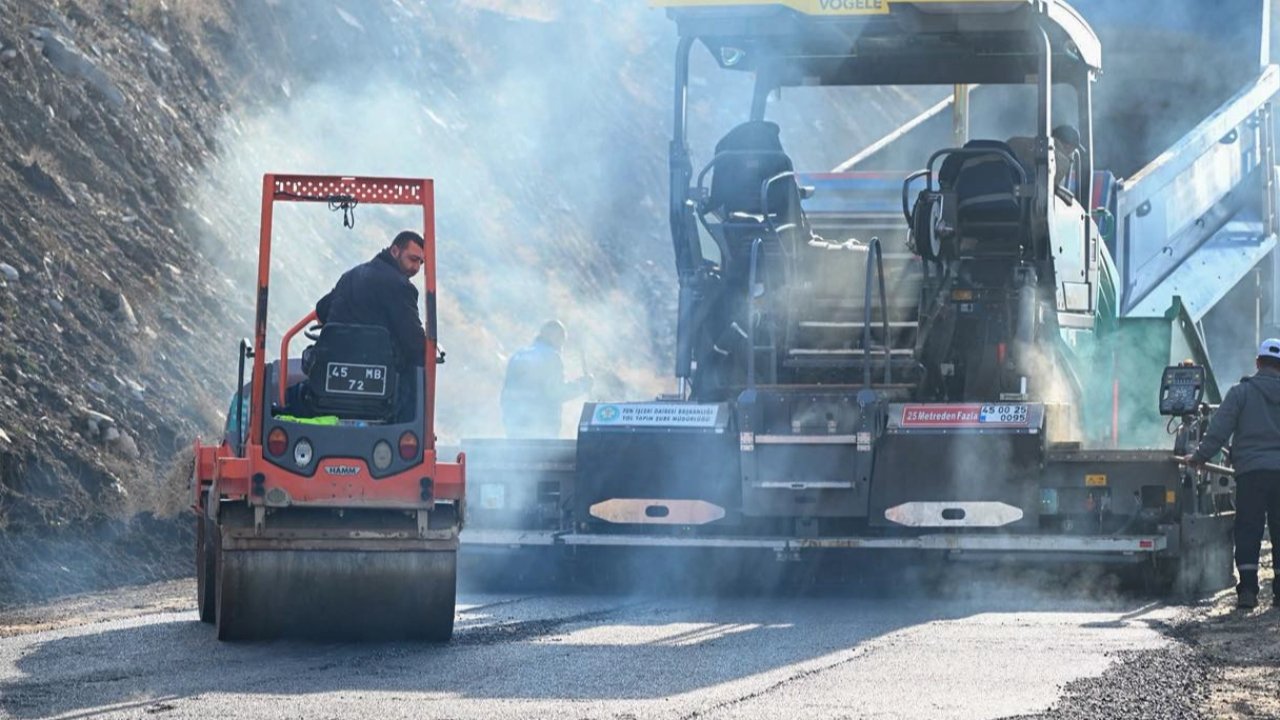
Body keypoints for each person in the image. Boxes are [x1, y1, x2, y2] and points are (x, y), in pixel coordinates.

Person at [1183, 338, 1280, 609]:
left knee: (1249, 528)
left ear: (1258, 363)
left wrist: (1199, 457)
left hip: (1250, 474)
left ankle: (1248, 591)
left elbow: (1219, 430)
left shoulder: (1241, 393)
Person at [315, 230, 427, 369]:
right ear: (395, 251)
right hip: (376, 376)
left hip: (329, 368)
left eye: (421, 263)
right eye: (413, 259)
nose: (416, 268)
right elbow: (414, 343)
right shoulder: (401, 287)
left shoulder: (351, 275)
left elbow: (321, 311)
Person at [500, 320, 592, 438]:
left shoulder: (518, 355)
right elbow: (556, 392)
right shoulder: (551, 356)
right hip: (541, 428)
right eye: (561, 341)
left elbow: (506, 393)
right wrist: (582, 385)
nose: (561, 347)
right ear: (555, 337)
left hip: (513, 425)